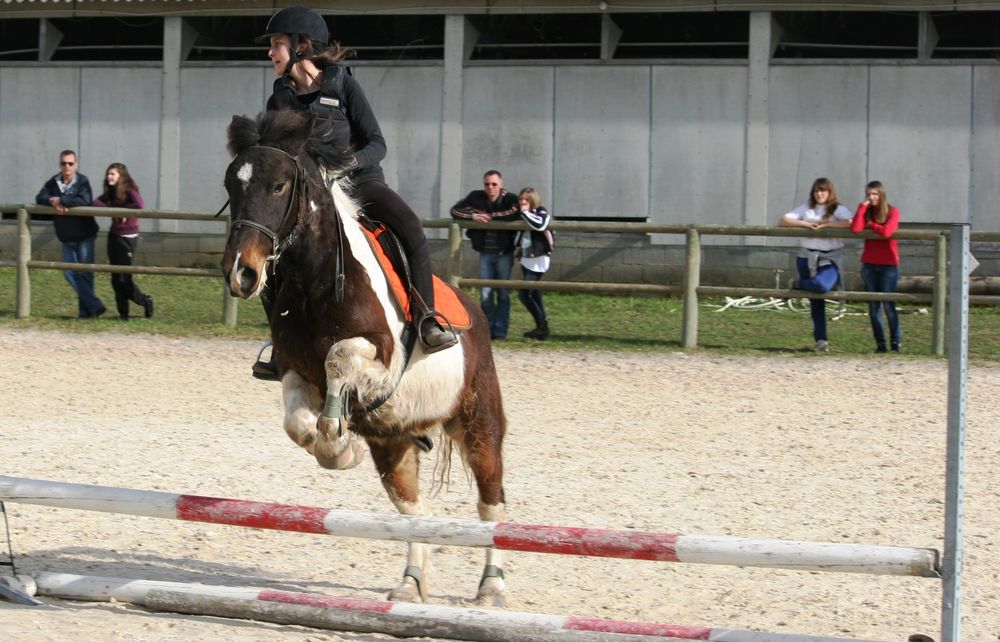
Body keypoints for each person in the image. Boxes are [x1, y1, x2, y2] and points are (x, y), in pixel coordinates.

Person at [251, 6, 456, 380]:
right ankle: (279, 344)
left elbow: (377, 143)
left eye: (276, 45)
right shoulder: (279, 98)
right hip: (310, 196)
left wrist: (348, 164)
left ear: (301, 46)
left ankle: (426, 317)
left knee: (409, 224)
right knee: (269, 251)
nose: (270, 53)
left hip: (360, 183)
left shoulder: (343, 84)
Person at [777, 177, 853, 352]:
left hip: (829, 258)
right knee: (816, 300)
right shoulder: (807, 208)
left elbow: (851, 222)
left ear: (830, 192)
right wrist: (806, 224)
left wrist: (827, 225)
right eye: (817, 191)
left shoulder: (838, 209)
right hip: (806, 257)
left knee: (821, 285)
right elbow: (784, 220)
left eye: (823, 190)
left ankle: (796, 284)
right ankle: (821, 340)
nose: (819, 194)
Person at [35, 150, 106, 319]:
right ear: (60, 164)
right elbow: (40, 197)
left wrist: (62, 200)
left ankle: (86, 312)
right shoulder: (53, 182)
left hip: (85, 235)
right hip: (66, 236)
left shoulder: (82, 181)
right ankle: (94, 305)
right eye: (63, 163)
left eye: (70, 163)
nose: (67, 166)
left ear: (76, 164)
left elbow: (85, 200)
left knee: (85, 273)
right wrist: (51, 200)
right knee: (69, 272)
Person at [450, 170, 520, 340]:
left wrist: (490, 217)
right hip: (485, 253)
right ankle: (487, 332)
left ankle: (501, 332)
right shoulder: (476, 196)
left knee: (503, 293)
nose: (490, 187)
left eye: (494, 184)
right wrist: (473, 216)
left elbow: (515, 213)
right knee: (486, 294)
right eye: (487, 184)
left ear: (500, 185)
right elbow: (455, 210)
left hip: (505, 253)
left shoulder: (510, 198)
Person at [93, 162, 154, 321]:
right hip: (113, 235)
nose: (109, 177)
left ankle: (145, 301)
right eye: (108, 174)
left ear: (121, 176)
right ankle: (123, 314)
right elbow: (96, 203)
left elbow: (140, 204)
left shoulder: (129, 190)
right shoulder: (111, 192)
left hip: (127, 238)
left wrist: (124, 210)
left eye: (112, 174)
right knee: (115, 277)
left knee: (123, 278)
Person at [851, 180, 902, 353]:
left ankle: (896, 343)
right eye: (869, 194)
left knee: (889, 305)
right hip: (870, 265)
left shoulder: (893, 211)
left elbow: (888, 231)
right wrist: (862, 207)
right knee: (874, 306)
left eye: (875, 194)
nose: (872, 197)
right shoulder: (866, 211)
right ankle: (880, 344)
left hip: (888, 265)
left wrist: (872, 226)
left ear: (881, 194)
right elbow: (856, 228)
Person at [514, 187, 553, 340]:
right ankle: (541, 328)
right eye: (521, 199)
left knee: (524, 294)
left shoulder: (541, 211)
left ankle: (542, 326)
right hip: (526, 258)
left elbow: (540, 225)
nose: (523, 202)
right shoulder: (521, 214)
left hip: (538, 258)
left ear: (533, 200)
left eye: (527, 199)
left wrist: (525, 213)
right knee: (535, 294)